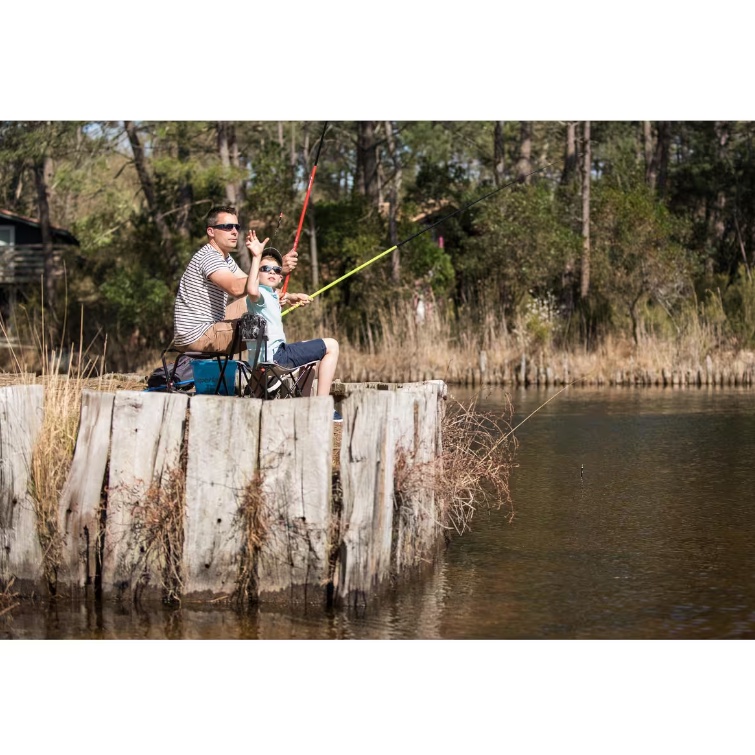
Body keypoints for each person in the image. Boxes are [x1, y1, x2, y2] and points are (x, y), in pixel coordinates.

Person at [172, 205, 298, 353]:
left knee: (255, 301)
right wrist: (277, 268)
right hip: (196, 335)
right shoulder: (209, 256)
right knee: (262, 325)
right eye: (227, 227)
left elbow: (253, 284)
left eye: (236, 227)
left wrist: (287, 296)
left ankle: (267, 366)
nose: (234, 232)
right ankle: (270, 368)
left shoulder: (225, 258)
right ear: (211, 231)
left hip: (209, 326)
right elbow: (236, 288)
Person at [245, 244, 341, 420]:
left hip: (259, 362)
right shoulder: (258, 295)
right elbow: (252, 290)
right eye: (265, 269)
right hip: (276, 358)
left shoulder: (270, 295)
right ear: (257, 274)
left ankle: (304, 407)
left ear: (281, 276)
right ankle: (322, 407)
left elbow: (279, 295)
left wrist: (293, 296)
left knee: (309, 358)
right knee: (332, 346)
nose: (272, 272)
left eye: (276, 270)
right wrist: (256, 256)